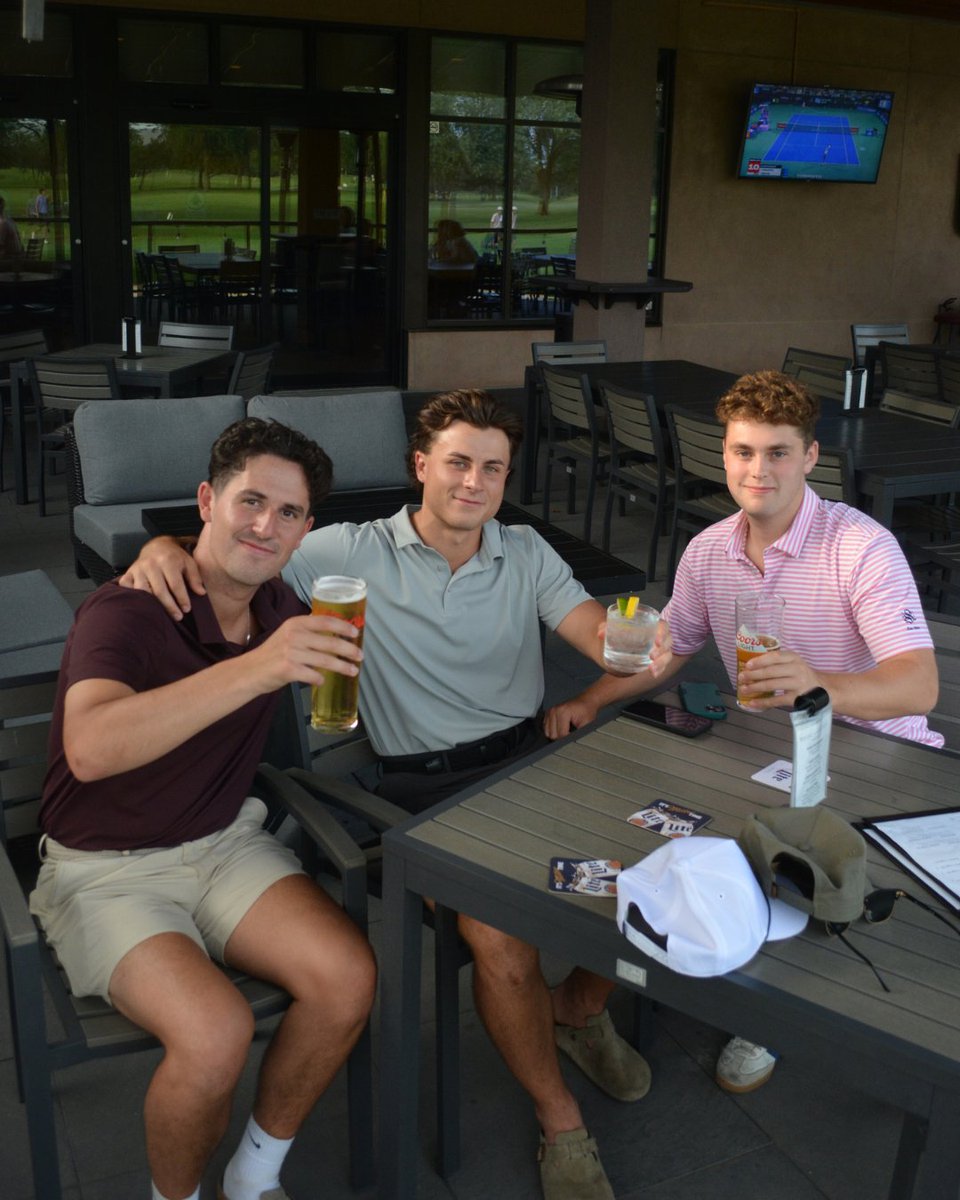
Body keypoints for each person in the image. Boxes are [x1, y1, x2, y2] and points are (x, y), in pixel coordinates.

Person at [121, 390, 664, 1200]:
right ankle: (561, 1121)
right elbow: (237, 552)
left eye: (492, 468)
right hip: (427, 792)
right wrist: (160, 546)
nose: (473, 482)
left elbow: (603, 639)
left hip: (529, 768)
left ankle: (580, 1007)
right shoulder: (346, 552)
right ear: (421, 466)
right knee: (501, 934)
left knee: (653, 870)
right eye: (457, 462)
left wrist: (641, 643)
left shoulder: (524, 552)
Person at [550, 368, 942, 1094]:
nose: (758, 470)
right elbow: (668, 650)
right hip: (759, 750)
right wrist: (591, 699)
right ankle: (614, 986)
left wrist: (820, 684)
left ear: (810, 456)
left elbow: (919, 685)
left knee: (754, 854)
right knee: (653, 839)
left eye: (777, 452)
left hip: (876, 760)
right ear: (724, 455)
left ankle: (760, 1006)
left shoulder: (861, 547)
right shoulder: (710, 550)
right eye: (743, 452)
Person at [33, 418, 376, 1200]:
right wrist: (259, 669)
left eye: (288, 513)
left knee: (349, 977)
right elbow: (90, 749)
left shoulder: (285, 607)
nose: (265, 525)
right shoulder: (125, 610)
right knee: (216, 1034)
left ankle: (254, 1175)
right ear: (206, 502)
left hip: (224, 846)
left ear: (305, 532)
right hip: (106, 871)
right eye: (249, 501)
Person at [0, 194, 23, 259]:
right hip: (15, 258)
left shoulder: (3, 223)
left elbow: (1, 247)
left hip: (11, 260)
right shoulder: (9, 220)